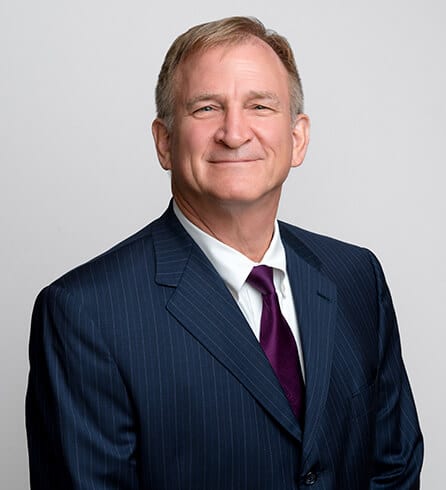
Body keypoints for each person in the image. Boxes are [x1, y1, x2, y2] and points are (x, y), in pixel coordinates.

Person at [26, 16, 423, 489]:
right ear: (164, 142)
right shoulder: (85, 314)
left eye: (260, 106)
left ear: (297, 139)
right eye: (207, 108)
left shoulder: (356, 276)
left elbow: (393, 469)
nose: (234, 133)